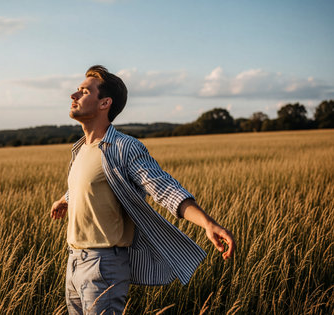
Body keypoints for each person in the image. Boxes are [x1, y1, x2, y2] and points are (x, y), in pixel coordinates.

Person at [50, 65, 236, 314]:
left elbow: (165, 189)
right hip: (73, 261)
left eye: (83, 92)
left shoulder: (123, 148)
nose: (74, 96)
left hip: (102, 265)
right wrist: (65, 199)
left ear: (105, 103)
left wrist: (207, 223)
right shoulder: (80, 149)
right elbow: (91, 185)